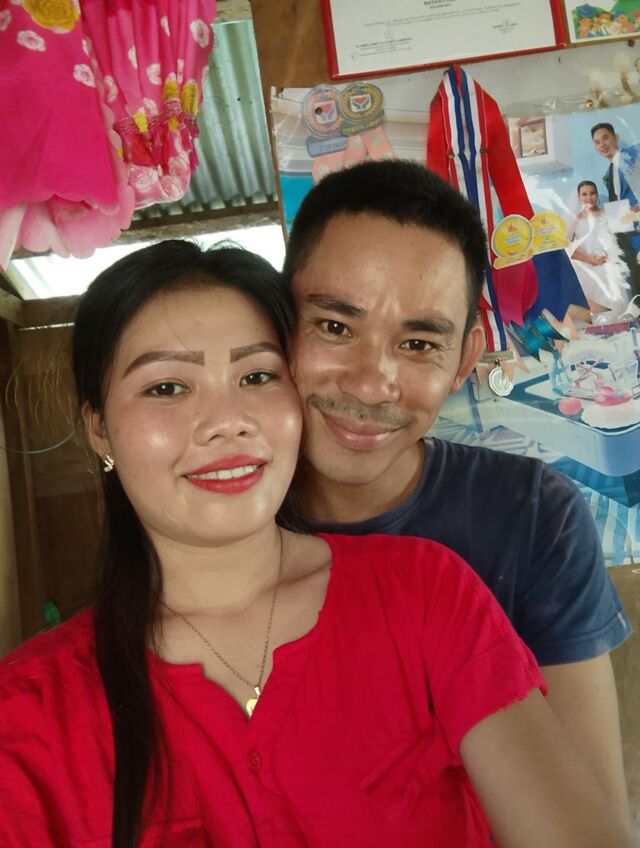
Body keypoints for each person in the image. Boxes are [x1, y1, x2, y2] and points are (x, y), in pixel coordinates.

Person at [0, 241, 628, 847]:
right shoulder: (26, 714)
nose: (227, 421)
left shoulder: (425, 592)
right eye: (166, 387)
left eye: (256, 376)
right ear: (99, 428)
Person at [282, 160, 632, 836]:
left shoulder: (535, 516)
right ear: (279, 319)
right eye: (334, 327)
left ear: (466, 358)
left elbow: (590, 819)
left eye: (418, 343)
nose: (371, 384)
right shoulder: (224, 524)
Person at [566, 179, 632, 318]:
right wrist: (587, 258)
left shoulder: (608, 214)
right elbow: (566, 247)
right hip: (585, 266)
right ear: (579, 197)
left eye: (592, 193)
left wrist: (609, 255)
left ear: (597, 194)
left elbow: (621, 241)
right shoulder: (574, 219)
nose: (589, 197)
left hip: (608, 264)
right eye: (584, 194)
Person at [591, 121, 640, 295]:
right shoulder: (608, 175)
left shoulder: (635, 153)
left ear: (615, 137)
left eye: (605, 138)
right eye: (597, 142)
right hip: (628, 235)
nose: (602, 144)